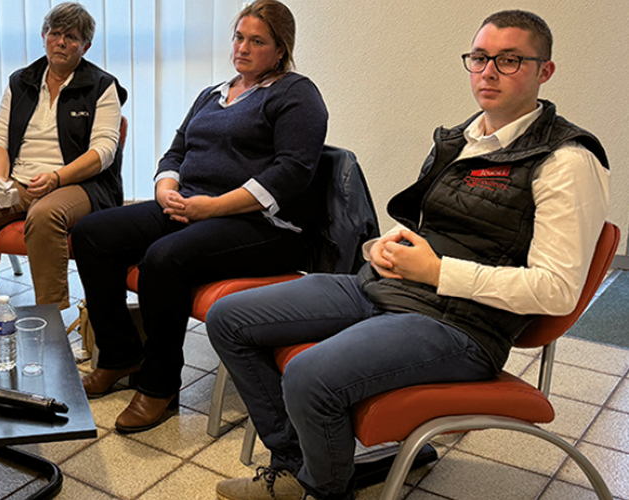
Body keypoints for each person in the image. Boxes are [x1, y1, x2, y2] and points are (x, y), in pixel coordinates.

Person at [206, 10, 608, 500]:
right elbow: (431, 225)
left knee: (312, 376)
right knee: (229, 318)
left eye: (510, 61)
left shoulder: (567, 160)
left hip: (463, 326)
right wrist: (385, 247)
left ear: (544, 71)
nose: (488, 72)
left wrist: (438, 272)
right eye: (480, 58)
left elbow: (557, 290)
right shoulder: (462, 137)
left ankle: (322, 488)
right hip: (392, 287)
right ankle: (295, 466)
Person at [72, 0, 327, 433]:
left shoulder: (296, 95)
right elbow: (176, 151)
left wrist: (213, 206)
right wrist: (166, 189)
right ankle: (120, 355)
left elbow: (291, 173)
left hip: (262, 225)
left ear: (281, 49)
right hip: (190, 205)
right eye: (238, 37)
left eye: (256, 41)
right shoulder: (213, 94)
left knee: (164, 259)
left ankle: (159, 385)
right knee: (91, 233)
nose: (242, 48)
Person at [0, 1, 126, 311]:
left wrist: (56, 178)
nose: (61, 42)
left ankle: (50, 314)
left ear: (86, 46)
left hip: (79, 184)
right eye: (55, 33)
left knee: (44, 214)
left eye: (72, 37)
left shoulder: (102, 86)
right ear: (43, 35)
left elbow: (103, 152)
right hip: (20, 180)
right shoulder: (21, 81)